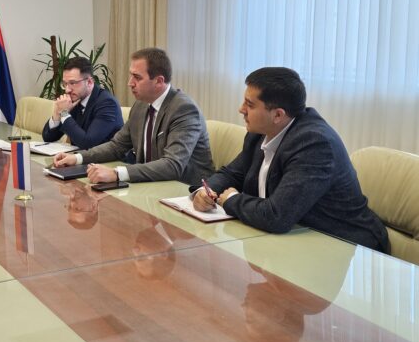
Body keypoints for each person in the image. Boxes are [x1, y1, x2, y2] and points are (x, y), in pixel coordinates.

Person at [193, 67, 389, 253]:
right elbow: (232, 173)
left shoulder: (314, 144)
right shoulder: (259, 132)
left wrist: (232, 200)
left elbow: (277, 216)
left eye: (250, 105)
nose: (241, 109)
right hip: (290, 238)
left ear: (278, 114)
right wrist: (205, 191)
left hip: (344, 244)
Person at [53, 48, 213, 185]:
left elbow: (172, 165)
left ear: (159, 81)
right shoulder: (140, 106)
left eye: (137, 77)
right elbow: (116, 146)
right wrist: (77, 158)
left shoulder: (184, 109)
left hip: (186, 191)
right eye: (131, 76)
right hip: (149, 185)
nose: (130, 83)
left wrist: (117, 173)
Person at [42, 56, 123, 149]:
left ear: (89, 82)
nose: (67, 90)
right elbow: (48, 137)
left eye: (72, 83)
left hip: (105, 157)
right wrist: (57, 114)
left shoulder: (107, 104)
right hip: (79, 156)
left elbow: (88, 143)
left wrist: (64, 113)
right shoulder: (74, 99)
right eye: (65, 84)